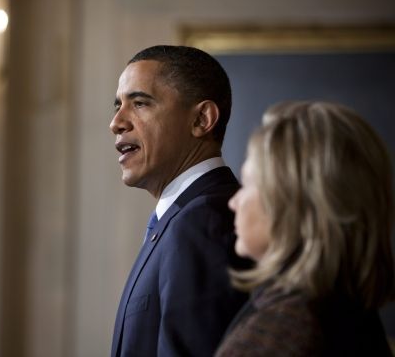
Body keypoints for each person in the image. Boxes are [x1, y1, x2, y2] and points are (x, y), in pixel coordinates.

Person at [216, 101, 395, 356]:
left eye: (247, 184)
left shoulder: (283, 332)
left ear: (294, 204)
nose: (233, 202)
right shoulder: (346, 310)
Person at [110, 45, 250, 357]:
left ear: (202, 119)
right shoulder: (180, 218)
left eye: (140, 103)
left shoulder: (205, 219)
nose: (116, 123)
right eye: (118, 105)